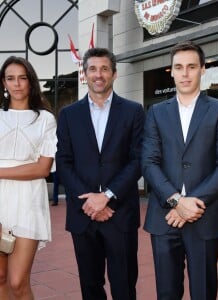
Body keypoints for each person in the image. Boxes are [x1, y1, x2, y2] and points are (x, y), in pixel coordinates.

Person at [142, 40, 218, 300]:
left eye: (191, 67)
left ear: (203, 70)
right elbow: (149, 162)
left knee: (204, 292)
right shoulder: (156, 112)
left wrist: (192, 205)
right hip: (165, 216)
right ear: (170, 71)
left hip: (204, 216)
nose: (185, 73)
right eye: (179, 67)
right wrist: (176, 201)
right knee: (166, 292)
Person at [56, 47, 145, 300]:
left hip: (120, 213)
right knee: (90, 286)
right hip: (83, 215)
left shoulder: (133, 111)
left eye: (105, 69)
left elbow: (137, 159)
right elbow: (63, 161)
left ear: (114, 74)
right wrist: (90, 201)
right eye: (93, 69)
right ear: (84, 74)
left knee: (124, 286)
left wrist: (106, 196)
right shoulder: (68, 115)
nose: (99, 74)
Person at [0, 56, 56, 299]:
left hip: (28, 203)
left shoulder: (45, 119)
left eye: (23, 78)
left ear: (31, 82)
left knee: (17, 281)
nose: (17, 84)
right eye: (11, 78)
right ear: (3, 83)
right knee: (0, 279)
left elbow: (42, 168)